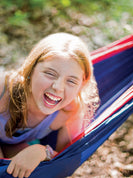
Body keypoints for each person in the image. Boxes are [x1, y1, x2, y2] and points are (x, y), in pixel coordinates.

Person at [0, 32, 100, 178]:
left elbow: (66, 162)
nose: (58, 87)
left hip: (12, 144)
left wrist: (41, 151)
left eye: (71, 81)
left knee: (33, 168)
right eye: (50, 73)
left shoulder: (69, 112)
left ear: (81, 85)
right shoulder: (4, 91)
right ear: (31, 69)